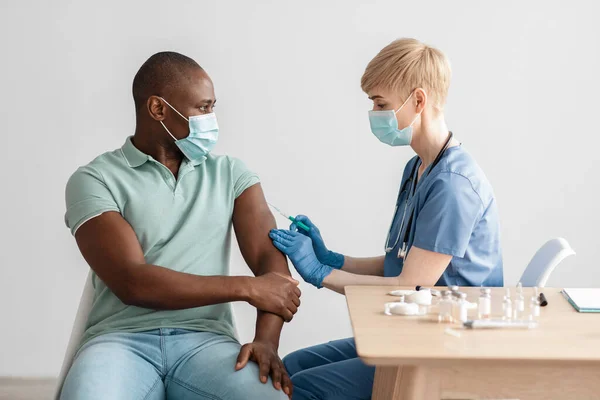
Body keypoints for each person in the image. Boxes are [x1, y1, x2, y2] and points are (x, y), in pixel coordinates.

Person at [269, 38, 503, 399]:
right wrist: (333, 258)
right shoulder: (419, 168)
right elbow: (401, 262)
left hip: (447, 344)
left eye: (381, 103)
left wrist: (321, 275)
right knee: (295, 363)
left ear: (418, 101)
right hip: (417, 327)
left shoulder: (454, 186)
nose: (374, 114)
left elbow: (410, 285)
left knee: (303, 388)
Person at [61, 52, 299, 400]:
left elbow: (271, 266)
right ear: (158, 109)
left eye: (213, 107)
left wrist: (266, 342)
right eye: (203, 108)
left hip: (206, 343)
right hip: (120, 342)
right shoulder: (95, 180)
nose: (211, 119)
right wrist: (247, 287)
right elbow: (132, 282)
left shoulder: (232, 175)